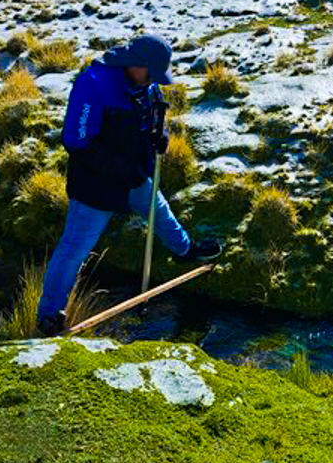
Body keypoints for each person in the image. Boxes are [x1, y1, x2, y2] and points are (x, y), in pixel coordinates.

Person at [35, 34, 221, 335]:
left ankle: (185, 251)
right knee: (73, 250)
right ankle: (48, 316)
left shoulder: (146, 82)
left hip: (135, 174)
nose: (153, 81)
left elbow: (156, 110)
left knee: (160, 210)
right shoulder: (94, 83)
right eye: (151, 74)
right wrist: (124, 171)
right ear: (136, 64)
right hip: (95, 186)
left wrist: (161, 137)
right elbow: (77, 142)